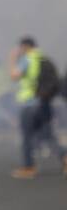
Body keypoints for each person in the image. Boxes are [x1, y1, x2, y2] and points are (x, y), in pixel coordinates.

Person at [8, 37, 67, 179]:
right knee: (48, 135)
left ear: (25, 47)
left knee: (27, 137)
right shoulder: (44, 58)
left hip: (30, 104)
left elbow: (14, 76)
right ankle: (64, 156)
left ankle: (28, 167)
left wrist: (12, 59)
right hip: (44, 102)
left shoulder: (27, 59)